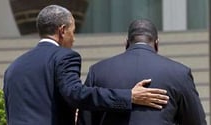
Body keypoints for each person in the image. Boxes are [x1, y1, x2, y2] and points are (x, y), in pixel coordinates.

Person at [3, 5, 169, 125]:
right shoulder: (64, 56)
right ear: (62, 30)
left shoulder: (14, 67)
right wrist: (129, 96)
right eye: (72, 31)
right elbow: (76, 94)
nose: (74, 39)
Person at [77, 19, 207, 125]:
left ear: (126, 43)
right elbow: (196, 121)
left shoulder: (98, 71)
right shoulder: (180, 73)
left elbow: (85, 121)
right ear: (157, 43)